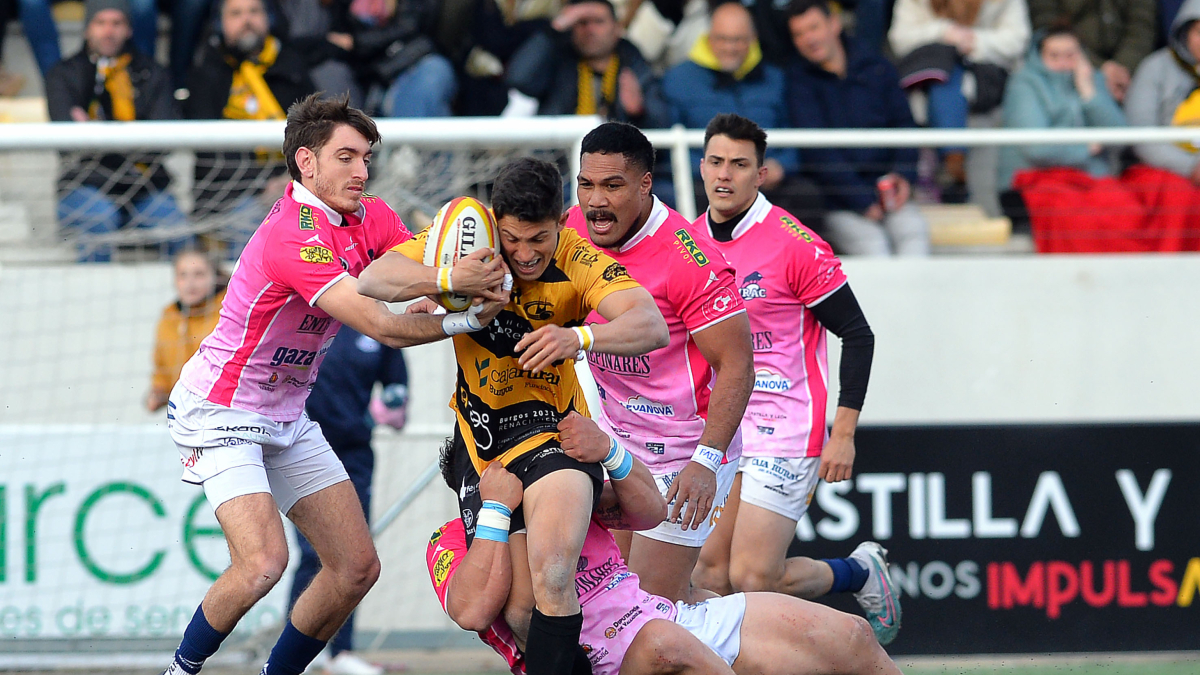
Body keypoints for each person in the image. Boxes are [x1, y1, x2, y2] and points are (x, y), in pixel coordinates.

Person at [162, 93, 510, 675]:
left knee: (355, 568)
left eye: (366, 157)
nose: (362, 170)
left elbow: (411, 280)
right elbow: (381, 323)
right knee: (263, 563)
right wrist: (462, 307)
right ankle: (178, 671)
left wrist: (465, 290)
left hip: (287, 415)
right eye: (346, 157)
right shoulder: (292, 232)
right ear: (306, 162)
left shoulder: (369, 215)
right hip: (220, 413)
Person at [358, 157, 669, 675]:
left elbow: (650, 324)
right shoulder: (468, 233)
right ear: (495, 222)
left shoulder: (578, 256)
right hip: (480, 446)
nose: (525, 255)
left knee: (552, 577)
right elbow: (373, 280)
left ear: (560, 223)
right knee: (517, 610)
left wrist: (578, 337)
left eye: (539, 239)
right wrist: (445, 278)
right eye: (513, 239)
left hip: (554, 434)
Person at [428, 413, 904, 675]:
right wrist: (495, 510)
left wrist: (609, 452)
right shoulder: (451, 539)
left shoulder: (559, 490)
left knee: (852, 638)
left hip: (666, 618)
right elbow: (471, 611)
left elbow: (649, 511)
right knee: (664, 645)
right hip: (603, 664)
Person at [689, 113, 899, 646]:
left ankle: (859, 575)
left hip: (785, 425)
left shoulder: (793, 243)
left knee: (753, 577)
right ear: (701, 166)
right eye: (716, 161)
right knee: (707, 576)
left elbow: (859, 335)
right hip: (722, 427)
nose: (725, 175)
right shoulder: (688, 242)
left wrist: (843, 433)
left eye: (740, 164)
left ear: (762, 174)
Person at [564, 121, 755, 604]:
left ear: (645, 184)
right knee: (620, 602)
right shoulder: (572, 228)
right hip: (618, 443)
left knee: (648, 614)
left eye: (612, 186)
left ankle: (814, 643)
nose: (595, 202)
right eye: (586, 184)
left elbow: (738, 366)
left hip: (685, 452)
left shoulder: (691, 260)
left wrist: (705, 462)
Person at [284, 323, 408, 675]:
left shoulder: (372, 321)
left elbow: (396, 385)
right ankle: (297, 651)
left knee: (353, 559)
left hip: (354, 454)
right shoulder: (302, 317)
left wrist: (382, 414)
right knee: (312, 554)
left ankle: (341, 652)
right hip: (299, 453)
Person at [46, 0, 188, 262]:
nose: (108, 31)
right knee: (98, 217)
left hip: (143, 189)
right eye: (100, 23)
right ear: (87, 29)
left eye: (117, 23)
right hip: (85, 186)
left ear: (129, 30)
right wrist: (137, 132)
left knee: (177, 227)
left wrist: (94, 131)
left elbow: (164, 142)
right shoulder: (63, 74)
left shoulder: (153, 73)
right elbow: (67, 144)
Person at [786, 0, 931, 256]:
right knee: (874, 247)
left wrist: (903, 176)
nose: (808, 39)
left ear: (834, 24)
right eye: (798, 34)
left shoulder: (877, 66)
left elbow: (904, 126)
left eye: (813, 28)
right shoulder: (798, 84)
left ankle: (917, 298)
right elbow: (817, 154)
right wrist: (862, 201)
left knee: (914, 233)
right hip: (840, 205)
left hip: (890, 193)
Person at [662, 1, 824, 229]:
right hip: (707, 182)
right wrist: (718, 171)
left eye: (738, 40)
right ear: (709, 38)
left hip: (766, 180)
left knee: (806, 195)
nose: (730, 47)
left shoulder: (775, 79)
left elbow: (794, 137)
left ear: (753, 39)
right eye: (722, 39)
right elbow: (669, 151)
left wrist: (780, 166)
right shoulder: (678, 80)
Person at [184, 0, 316, 251]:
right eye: (236, 13)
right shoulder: (205, 72)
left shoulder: (290, 65)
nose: (247, 20)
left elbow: (314, 134)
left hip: (290, 182)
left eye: (254, 11)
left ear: (268, 19)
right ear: (220, 23)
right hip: (229, 194)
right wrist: (261, 186)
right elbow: (209, 153)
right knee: (253, 221)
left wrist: (290, 180)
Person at [888, 0, 1030, 200]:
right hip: (928, 87)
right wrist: (943, 33)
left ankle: (953, 165)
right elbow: (900, 39)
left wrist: (974, 41)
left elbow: (1017, 40)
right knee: (945, 81)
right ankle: (953, 165)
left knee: (983, 189)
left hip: (989, 85)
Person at [997, 26, 1126, 191]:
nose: (1063, 63)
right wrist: (1085, 147)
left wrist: (1088, 92)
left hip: (1091, 182)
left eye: (1070, 55)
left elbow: (1120, 136)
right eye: (1054, 56)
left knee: (1125, 210)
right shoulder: (1025, 83)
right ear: (1039, 56)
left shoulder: (1092, 78)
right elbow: (1037, 148)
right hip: (1036, 183)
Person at [505, 0, 670, 127]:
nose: (590, 30)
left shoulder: (635, 67)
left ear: (617, 28)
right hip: (561, 162)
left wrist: (638, 113)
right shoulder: (558, 60)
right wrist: (556, 27)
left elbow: (663, 126)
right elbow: (519, 79)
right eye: (582, 23)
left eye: (598, 22)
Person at [1126, 0, 1200, 184]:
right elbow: (1141, 132)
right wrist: (1190, 166)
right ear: (1185, 32)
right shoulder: (1155, 67)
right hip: (1167, 171)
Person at [1028, 0, 1156, 103]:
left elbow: (1141, 28)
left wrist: (1121, 69)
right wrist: (1100, 70)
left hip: (1129, 74)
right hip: (1070, 67)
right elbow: (1048, 28)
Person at [148, 248, 227, 412]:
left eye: (199, 274)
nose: (190, 283)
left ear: (214, 277)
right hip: (184, 414)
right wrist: (158, 391)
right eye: (183, 275)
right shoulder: (169, 317)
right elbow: (161, 368)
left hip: (224, 410)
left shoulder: (229, 313)